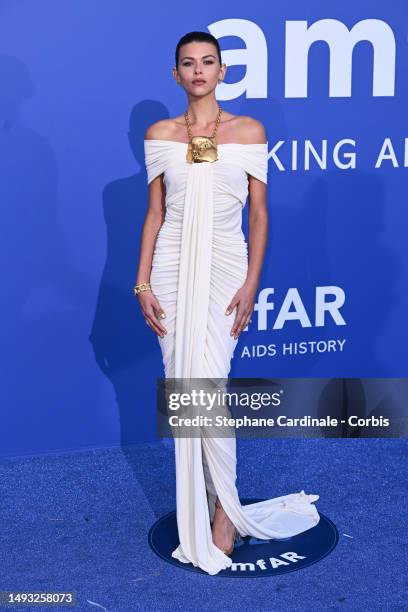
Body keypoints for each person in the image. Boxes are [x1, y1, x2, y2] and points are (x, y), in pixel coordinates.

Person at [134, 31, 320, 575]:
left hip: (224, 268)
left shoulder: (249, 131)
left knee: (209, 386)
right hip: (169, 269)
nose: (198, 71)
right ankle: (212, 505)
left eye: (207, 62)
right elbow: (155, 214)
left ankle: (224, 511)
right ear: (175, 75)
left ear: (222, 70)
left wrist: (253, 282)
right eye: (187, 63)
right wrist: (142, 282)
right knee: (183, 387)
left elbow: (259, 213)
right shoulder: (160, 134)